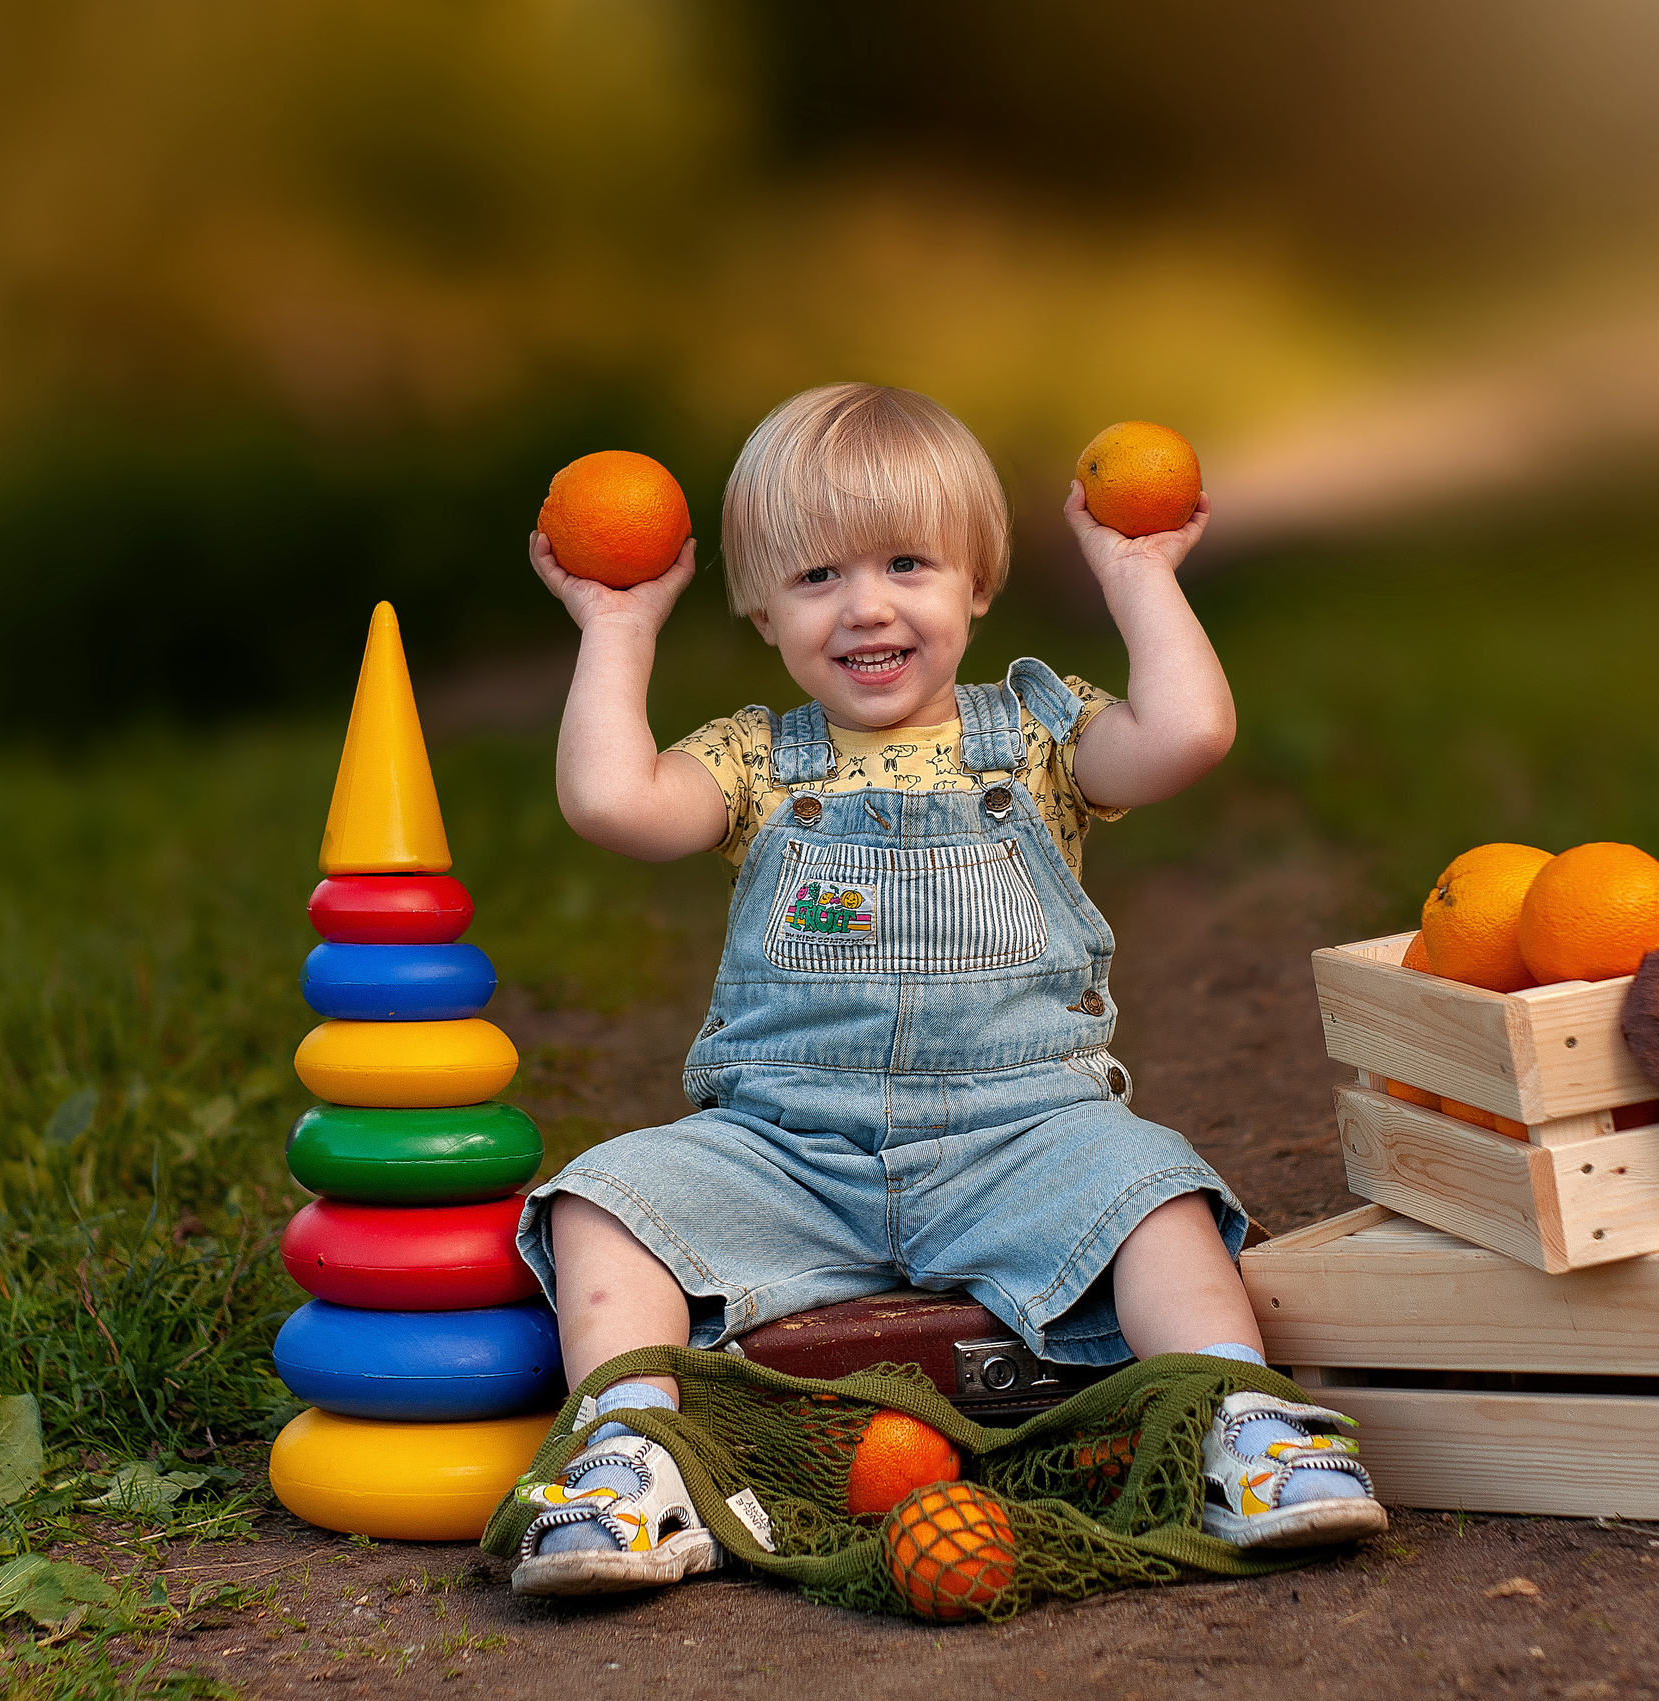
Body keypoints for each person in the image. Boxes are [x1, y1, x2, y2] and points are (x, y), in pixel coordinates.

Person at [510, 383, 1386, 1596]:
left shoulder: (1034, 737)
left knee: (1154, 1196)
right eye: (815, 578)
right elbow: (612, 803)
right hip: (787, 1153)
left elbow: (1185, 733)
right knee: (604, 1203)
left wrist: (1138, 573)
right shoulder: (758, 760)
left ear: (977, 581)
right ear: (761, 610)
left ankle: (1241, 1424)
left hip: (1021, 1137)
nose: (866, 605)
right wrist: (617, 630)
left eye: (907, 563)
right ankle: (626, 1454)